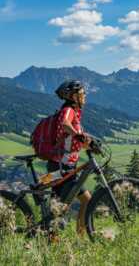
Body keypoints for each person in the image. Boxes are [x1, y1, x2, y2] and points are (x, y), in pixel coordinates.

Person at [47, 80, 91, 236]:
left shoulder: (76, 113)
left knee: (65, 204)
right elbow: (65, 124)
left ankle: (75, 236)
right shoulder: (68, 110)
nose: (84, 95)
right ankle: (53, 236)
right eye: (82, 93)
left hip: (66, 166)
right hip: (61, 167)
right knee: (62, 206)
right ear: (73, 96)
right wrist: (78, 135)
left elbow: (74, 140)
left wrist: (90, 145)